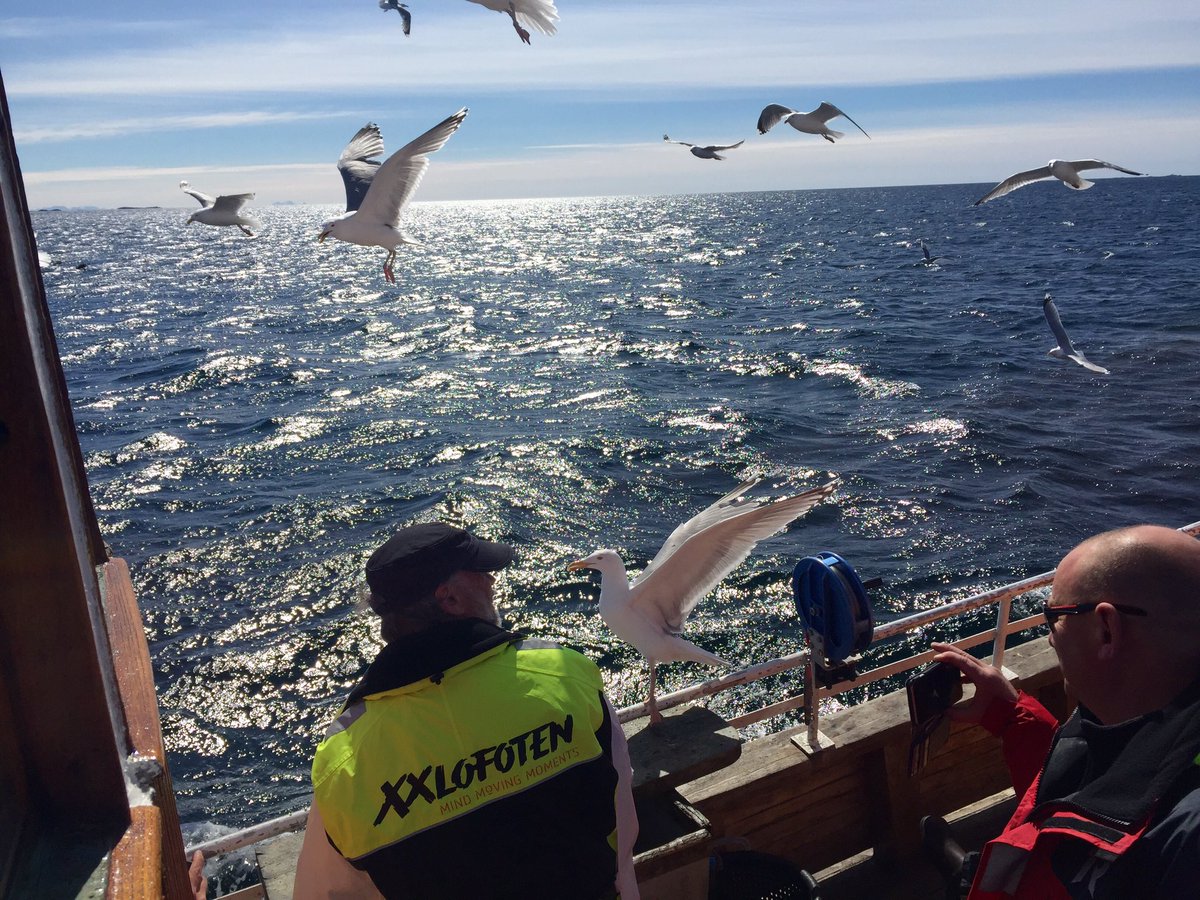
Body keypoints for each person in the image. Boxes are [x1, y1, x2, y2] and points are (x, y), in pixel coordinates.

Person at [293, 522, 640, 900]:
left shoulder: (343, 760)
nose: (491, 583)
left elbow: (326, 893)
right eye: (480, 574)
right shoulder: (566, 674)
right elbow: (623, 825)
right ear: (450, 599)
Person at [927, 524, 1200, 899]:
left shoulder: (1185, 846)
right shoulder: (1137, 713)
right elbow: (1105, 786)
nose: (1052, 634)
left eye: (1054, 614)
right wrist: (1012, 716)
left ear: (1107, 630)